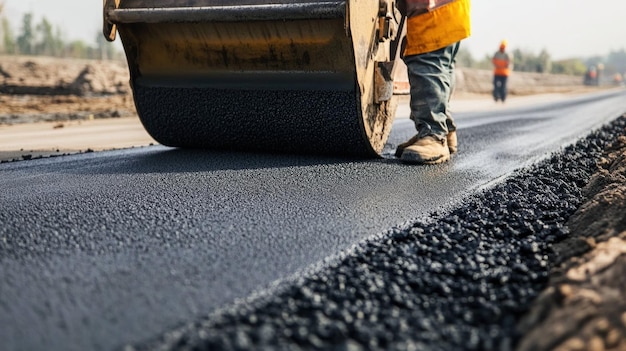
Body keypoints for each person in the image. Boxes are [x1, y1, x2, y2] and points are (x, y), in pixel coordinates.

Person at [394, 0, 471, 165]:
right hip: (449, 9)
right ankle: (445, 129)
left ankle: (434, 135)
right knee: (441, 66)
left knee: (427, 63)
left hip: (431, 10)